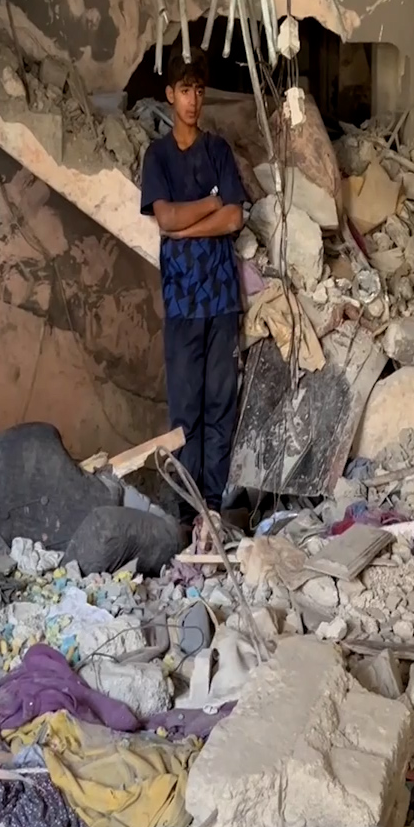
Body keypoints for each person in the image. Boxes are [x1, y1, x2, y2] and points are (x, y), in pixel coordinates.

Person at [139, 50, 248, 522]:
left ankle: (213, 507)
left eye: (199, 91)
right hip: (183, 300)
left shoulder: (218, 151)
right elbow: (165, 217)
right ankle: (187, 512)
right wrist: (211, 202)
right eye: (185, 90)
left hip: (221, 297)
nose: (193, 100)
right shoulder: (158, 156)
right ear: (170, 95)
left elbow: (235, 218)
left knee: (220, 402)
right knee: (187, 408)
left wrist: (187, 228)